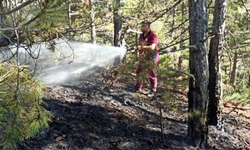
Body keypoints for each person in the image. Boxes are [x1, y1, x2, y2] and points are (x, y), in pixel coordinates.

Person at [135, 20, 159, 97]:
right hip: (145, 56)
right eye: (141, 26)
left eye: (144, 26)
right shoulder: (141, 35)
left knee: (152, 73)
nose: (142, 27)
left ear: (148, 27)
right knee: (139, 71)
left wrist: (141, 47)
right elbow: (141, 45)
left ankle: (153, 90)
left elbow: (152, 47)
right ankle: (138, 87)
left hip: (153, 56)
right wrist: (141, 53)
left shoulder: (153, 35)